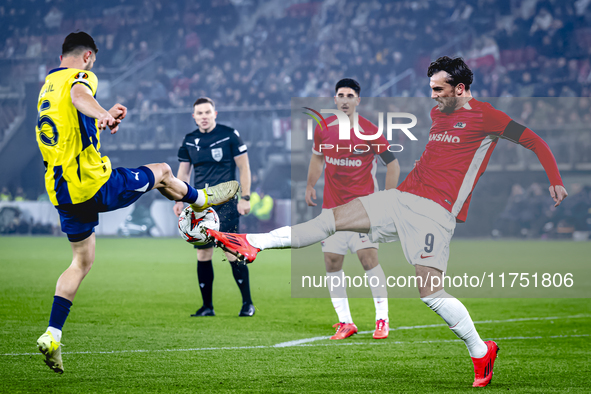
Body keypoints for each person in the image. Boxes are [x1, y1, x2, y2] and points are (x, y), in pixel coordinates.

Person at [208, 56, 568, 387]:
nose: (433, 96)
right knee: (331, 219)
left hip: (436, 213)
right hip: (402, 198)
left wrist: (554, 179)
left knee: (430, 294)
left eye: (439, 89)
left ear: (460, 88)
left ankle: (480, 351)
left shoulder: (488, 117)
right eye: (431, 89)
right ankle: (253, 242)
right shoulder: (437, 114)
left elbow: (533, 140)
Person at [35, 32, 240, 374]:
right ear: (87, 56)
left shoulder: (45, 88)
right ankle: (201, 198)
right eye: (94, 60)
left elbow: (71, 114)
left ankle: (53, 334)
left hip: (61, 191)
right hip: (92, 183)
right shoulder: (80, 77)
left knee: (81, 261)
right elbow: (80, 95)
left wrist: (99, 118)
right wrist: (101, 113)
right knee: (161, 170)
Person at [306, 78, 400, 340]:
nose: (344, 100)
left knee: (368, 261)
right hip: (332, 210)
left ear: (358, 100)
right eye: (340, 95)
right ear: (334, 100)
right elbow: (317, 156)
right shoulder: (323, 130)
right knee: (332, 263)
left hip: (363, 210)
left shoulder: (370, 131)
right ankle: (345, 322)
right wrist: (310, 185)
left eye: (350, 95)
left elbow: (392, 164)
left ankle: (382, 319)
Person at [173, 97, 254, 317]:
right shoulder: (189, 140)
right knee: (203, 254)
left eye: (207, 112)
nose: (204, 116)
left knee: (231, 252)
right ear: (194, 117)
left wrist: (245, 197)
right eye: (199, 113)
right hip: (200, 205)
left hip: (226, 203)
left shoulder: (229, 135)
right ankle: (207, 307)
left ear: (215, 114)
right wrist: (179, 200)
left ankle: (247, 303)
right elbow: (183, 174)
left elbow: (244, 168)